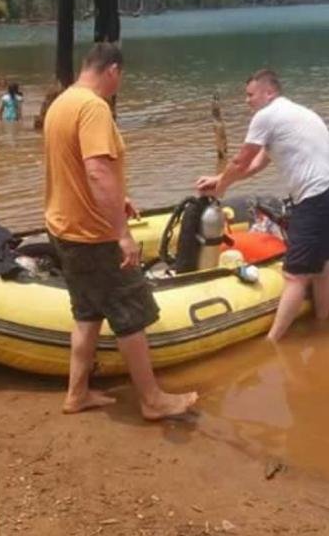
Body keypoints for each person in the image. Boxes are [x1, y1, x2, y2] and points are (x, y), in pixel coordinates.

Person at [44, 42, 198, 420]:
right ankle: (152, 400)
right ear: (112, 70)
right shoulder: (94, 108)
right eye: (121, 77)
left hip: (63, 228)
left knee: (87, 314)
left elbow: (77, 167)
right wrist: (122, 232)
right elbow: (96, 170)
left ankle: (76, 393)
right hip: (93, 236)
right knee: (131, 314)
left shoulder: (61, 103)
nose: (120, 84)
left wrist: (120, 196)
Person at [195, 69, 329, 342]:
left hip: (317, 198)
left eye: (250, 95)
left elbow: (240, 162)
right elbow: (256, 165)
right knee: (321, 266)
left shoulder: (266, 116)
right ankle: (322, 325)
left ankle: (273, 343)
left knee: (294, 275)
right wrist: (219, 179)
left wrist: (222, 186)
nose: (247, 101)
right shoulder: (292, 114)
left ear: (269, 92)